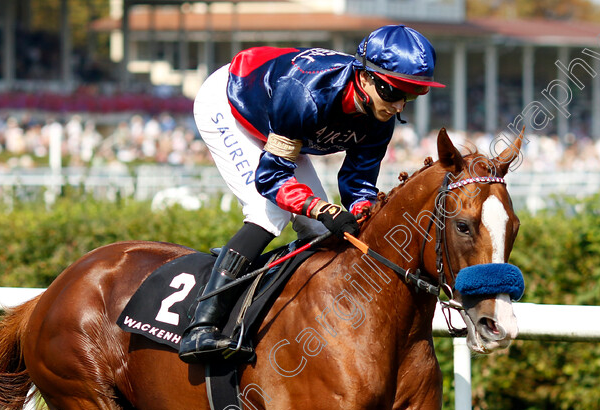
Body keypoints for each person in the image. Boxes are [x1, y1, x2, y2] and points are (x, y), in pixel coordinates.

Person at [179, 24, 445, 363]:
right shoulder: (306, 95)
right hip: (231, 104)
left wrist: (362, 211)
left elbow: (358, 182)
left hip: (283, 127)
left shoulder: (381, 119)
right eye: (394, 93)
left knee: (319, 232)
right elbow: (271, 178)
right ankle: (202, 325)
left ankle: (275, 300)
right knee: (268, 213)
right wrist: (322, 208)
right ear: (365, 76)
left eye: (410, 97)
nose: (399, 107)